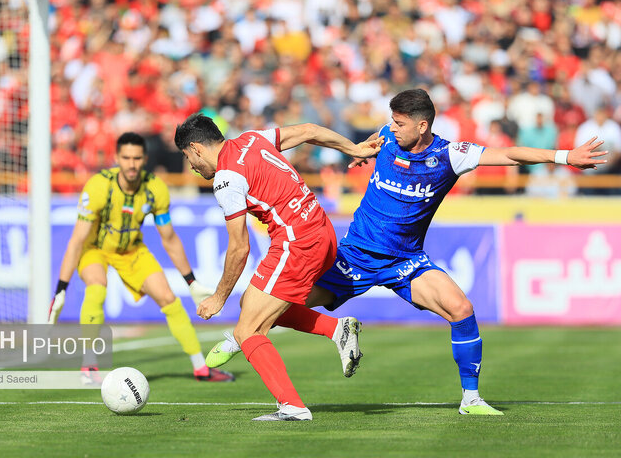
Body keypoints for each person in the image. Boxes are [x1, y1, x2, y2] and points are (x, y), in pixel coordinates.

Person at [209, 89, 607, 415]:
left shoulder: (451, 155)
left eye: (399, 123)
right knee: (275, 305)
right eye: (391, 121)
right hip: (355, 258)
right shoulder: (387, 135)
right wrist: (360, 153)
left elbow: (511, 155)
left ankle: (471, 399)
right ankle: (242, 333)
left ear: (423, 125)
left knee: (461, 309)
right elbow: (363, 146)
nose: (391, 128)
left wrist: (564, 157)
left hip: (406, 261)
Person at [174, 114, 380, 421]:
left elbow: (239, 247)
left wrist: (218, 297)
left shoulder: (226, 179)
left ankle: (292, 407)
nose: (191, 165)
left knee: (248, 330)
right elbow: (309, 130)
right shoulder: (252, 139)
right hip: (322, 230)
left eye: (187, 157)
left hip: (297, 242)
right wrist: (353, 149)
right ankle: (337, 329)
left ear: (196, 148)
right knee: (250, 303)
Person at [48, 132, 234, 384]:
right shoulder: (98, 187)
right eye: (126, 158)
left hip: (132, 251)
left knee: (169, 298)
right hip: (96, 249)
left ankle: (201, 368)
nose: (132, 164)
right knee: (96, 287)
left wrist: (191, 282)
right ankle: (89, 366)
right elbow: (77, 241)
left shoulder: (155, 189)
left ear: (144, 158)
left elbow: (169, 238)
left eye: (137, 158)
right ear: (117, 158)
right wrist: (61, 288)